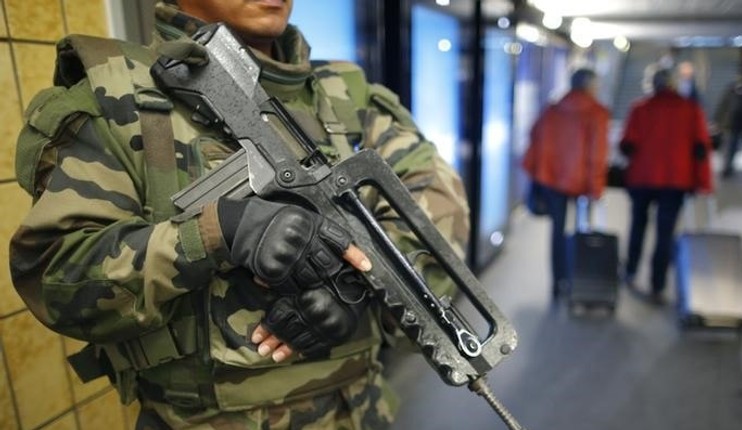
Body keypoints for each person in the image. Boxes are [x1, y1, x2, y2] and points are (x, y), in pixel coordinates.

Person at [9, 0, 470, 428]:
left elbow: (437, 212)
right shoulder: (115, 96)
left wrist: (360, 289)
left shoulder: (347, 93)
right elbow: (55, 279)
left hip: (359, 411)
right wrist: (218, 233)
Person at [619, 69, 713, 305]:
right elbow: (701, 149)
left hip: (643, 178)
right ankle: (657, 284)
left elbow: (627, 145)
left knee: (638, 225)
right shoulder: (691, 110)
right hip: (676, 180)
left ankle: (630, 270)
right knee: (665, 232)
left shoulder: (640, 108)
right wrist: (702, 182)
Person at [522, 68, 610, 298]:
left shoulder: (552, 110)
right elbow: (596, 154)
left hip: (552, 179)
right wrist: (596, 187)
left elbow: (534, 137)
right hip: (582, 181)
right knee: (583, 229)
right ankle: (578, 276)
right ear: (590, 85)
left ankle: (558, 280)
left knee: (557, 230)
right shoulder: (597, 113)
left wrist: (539, 172)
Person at [714, 73, 742, 178]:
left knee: (735, 146)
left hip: (741, 124)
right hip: (729, 124)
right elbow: (723, 106)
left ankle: (729, 165)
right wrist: (718, 121)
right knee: (728, 145)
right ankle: (726, 167)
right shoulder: (730, 90)